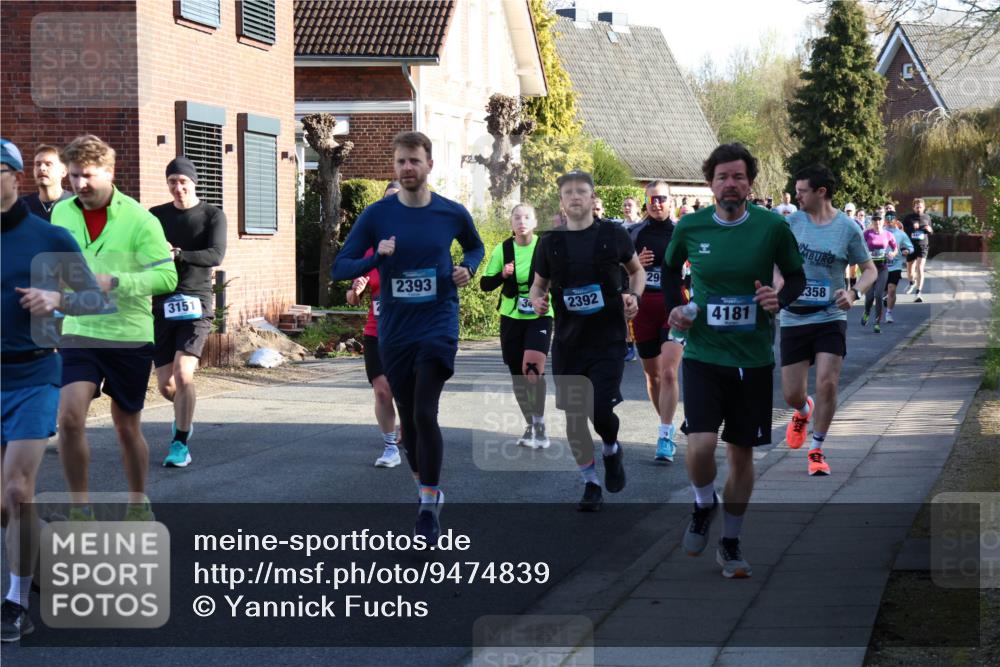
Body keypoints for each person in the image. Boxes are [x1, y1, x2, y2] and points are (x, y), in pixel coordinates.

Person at [331, 132, 484, 542]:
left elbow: (475, 247)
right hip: (395, 331)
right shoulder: (377, 216)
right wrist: (374, 257)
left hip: (438, 322)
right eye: (400, 162)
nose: (407, 169)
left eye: (414, 161)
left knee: (423, 411)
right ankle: (427, 492)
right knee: (410, 429)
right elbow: (339, 267)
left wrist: (466, 269)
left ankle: (427, 506)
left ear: (430, 164)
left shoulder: (451, 213)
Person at [663, 143, 805, 578]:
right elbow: (670, 272)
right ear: (710, 184)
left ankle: (730, 542)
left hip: (754, 359)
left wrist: (778, 298)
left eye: (738, 177)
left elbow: (796, 277)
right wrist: (676, 307)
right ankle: (704, 502)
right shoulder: (690, 227)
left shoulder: (771, 227)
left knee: (742, 454)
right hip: (705, 354)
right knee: (701, 444)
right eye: (722, 177)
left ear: (749, 183)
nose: (730, 184)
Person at [1, 138, 108, 642]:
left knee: (18, 491)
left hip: (34, 372)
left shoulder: (49, 238)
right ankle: (45, 566)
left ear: (16, 178)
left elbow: (93, 301)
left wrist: (57, 298)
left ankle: (15, 601)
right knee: (6, 504)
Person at [51, 135, 178, 521]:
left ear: (110, 172)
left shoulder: (141, 219)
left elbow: (167, 277)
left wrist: (118, 281)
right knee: (69, 418)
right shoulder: (62, 213)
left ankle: (138, 502)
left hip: (128, 335)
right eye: (73, 176)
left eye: (87, 175)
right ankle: (80, 508)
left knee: (126, 426)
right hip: (78, 330)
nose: (79, 184)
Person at [530, 170, 643, 512]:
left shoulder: (613, 233)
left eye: (582, 191)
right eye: (569, 192)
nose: (576, 197)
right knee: (575, 415)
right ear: (561, 201)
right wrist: (537, 300)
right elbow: (539, 284)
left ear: (593, 198)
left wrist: (633, 298)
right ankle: (590, 482)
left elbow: (636, 271)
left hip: (608, 337)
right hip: (568, 341)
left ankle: (611, 448)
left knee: (600, 409)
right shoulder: (550, 241)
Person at [780, 164, 875, 477]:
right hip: (794, 316)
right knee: (792, 393)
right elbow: (775, 263)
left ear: (821, 192)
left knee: (827, 381)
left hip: (829, 316)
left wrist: (854, 293)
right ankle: (803, 411)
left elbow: (870, 270)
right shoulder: (791, 223)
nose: (797, 197)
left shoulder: (847, 228)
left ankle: (817, 448)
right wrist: (778, 286)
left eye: (802, 191)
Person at [149, 156, 226, 468]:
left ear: (193, 182)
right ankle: (185, 416)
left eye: (183, 181)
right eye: (172, 182)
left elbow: (215, 254)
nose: (178, 187)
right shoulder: (155, 216)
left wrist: (179, 254)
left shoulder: (211, 215)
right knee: (166, 385)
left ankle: (180, 443)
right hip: (162, 303)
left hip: (196, 302)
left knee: (184, 374)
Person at [480, 203, 553, 449]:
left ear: (534, 223)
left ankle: (540, 426)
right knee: (517, 375)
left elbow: (561, 275)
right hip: (511, 315)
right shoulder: (503, 249)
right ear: (511, 223)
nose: (522, 221)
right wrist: (502, 275)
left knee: (531, 368)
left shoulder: (544, 246)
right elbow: (485, 284)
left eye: (527, 217)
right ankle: (530, 424)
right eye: (517, 218)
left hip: (540, 314)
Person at [345, 181, 404, 468]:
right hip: (376, 330)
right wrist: (356, 290)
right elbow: (352, 298)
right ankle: (390, 447)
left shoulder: (415, 245)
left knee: (408, 391)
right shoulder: (370, 252)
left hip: (409, 331)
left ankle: (411, 424)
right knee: (382, 389)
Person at [629, 181, 684, 463]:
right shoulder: (634, 232)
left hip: (674, 307)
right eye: (651, 199)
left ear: (671, 202)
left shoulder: (681, 232)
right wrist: (635, 262)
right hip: (643, 309)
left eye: (662, 198)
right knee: (653, 376)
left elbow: (698, 268)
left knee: (670, 372)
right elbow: (619, 270)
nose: (656, 203)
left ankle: (664, 435)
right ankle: (668, 421)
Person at [860, 211, 898, 334]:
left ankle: (877, 323)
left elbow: (895, 248)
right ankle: (866, 312)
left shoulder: (888, 234)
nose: (877, 222)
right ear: (872, 221)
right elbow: (858, 245)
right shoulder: (867, 233)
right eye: (875, 220)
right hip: (870, 269)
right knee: (870, 297)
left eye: (879, 220)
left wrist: (892, 253)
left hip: (882, 269)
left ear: (883, 221)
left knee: (878, 295)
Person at [21, 144, 72, 222]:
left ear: (64, 171)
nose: (42, 168)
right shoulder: (22, 206)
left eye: (48, 164)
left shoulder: (76, 203)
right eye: (38, 164)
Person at [903, 198, 932, 302]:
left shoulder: (927, 217)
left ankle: (918, 292)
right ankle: (911, 282)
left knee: (920, 268)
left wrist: (929, 230)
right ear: (913, 207)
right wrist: (912, 228)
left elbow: (930, 230)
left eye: (920, 207)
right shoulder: (908, 218)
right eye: (917, 207)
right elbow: (904, 232)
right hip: (910, 246)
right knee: (910, 270)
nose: (919, 209)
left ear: (923, 207)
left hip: (923, 246)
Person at [884, 218, 913, 323]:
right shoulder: (880, 232)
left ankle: (888, 313)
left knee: (892, 289)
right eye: (887, 219)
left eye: (891, 219)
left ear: (895, 221)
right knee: (882, 291)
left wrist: (907, 250)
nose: (889, 221)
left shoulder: (901, 234)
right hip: (882, 266)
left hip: (896, 266)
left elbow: (910, 247)